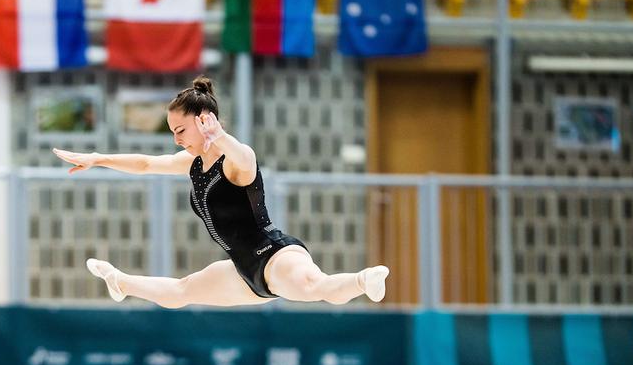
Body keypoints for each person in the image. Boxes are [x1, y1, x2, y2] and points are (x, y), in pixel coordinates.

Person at [53, 76, 389, 308]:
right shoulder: (193, 163)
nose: (177, 139)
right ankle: (120, 282)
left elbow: (247, 156)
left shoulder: (234, 161)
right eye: (172, 131)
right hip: (243, 268)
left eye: (181, 130)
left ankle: (364, 280)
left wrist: (220, 138)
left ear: (204, 121)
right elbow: (144, 164)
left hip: (274, 253)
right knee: (181, 291)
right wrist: (97, 159)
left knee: (314, 287)